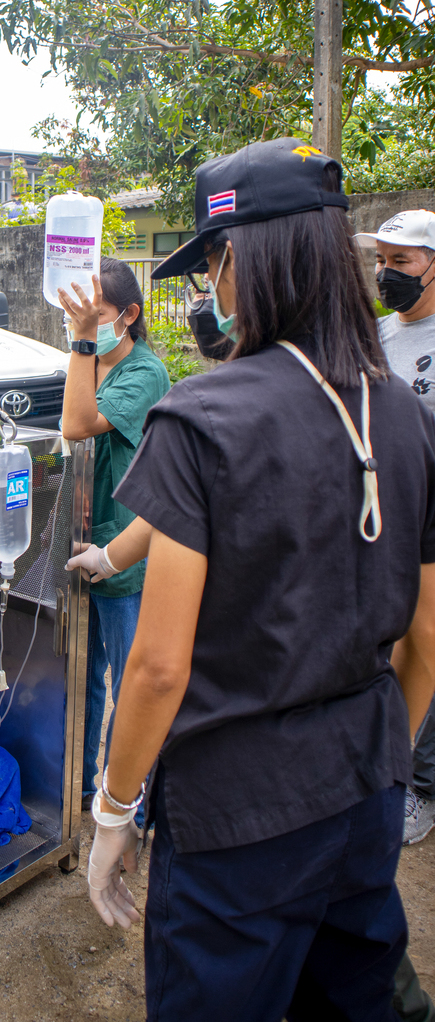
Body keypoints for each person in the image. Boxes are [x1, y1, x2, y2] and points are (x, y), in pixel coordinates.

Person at [69, 138, 435, 1022]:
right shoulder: (405, 410)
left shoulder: (200, 414)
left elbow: (158, 668)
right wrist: (379, 759)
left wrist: (113, 814)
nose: (211, 292)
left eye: (211, 267)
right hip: (364, 794)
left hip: (237, 816)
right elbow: (424, 638)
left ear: (239, 258)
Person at [57, 256, 170, 814]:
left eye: (95, 314)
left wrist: (81, 345)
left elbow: (76, 425)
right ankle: (78, 785)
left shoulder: (143, 373)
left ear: (128, 315)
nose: (85, 323)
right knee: (86, 677)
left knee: (130, 683)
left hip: (125, 552)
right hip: (88, 542)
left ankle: (134, 806)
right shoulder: (96, 365)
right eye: (77, 314)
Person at [355, 209, 435, 848]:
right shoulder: (379, 334)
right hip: (381, 514)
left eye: (401, 262)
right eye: (381, 261)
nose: (386, 274)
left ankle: (412, 785)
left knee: (426, 643)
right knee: (388, 643)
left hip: (429, 518)